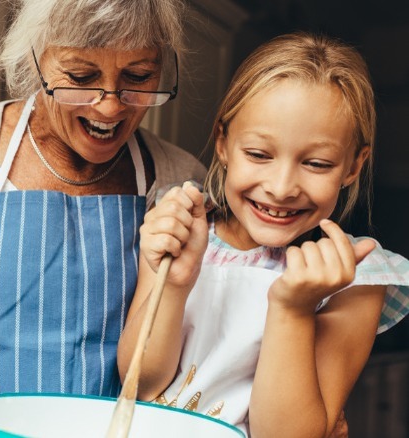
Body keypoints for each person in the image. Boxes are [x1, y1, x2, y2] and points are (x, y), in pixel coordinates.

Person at [0, 0, 208, 436]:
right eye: (81, 77)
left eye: (138, 77)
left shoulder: (181, 181)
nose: (110, 107)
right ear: (35, 58)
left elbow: (183, 364)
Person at [118, 31, 409, 437]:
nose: (281, 186)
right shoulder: (182, 223)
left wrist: (293, 308)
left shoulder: (357, 277)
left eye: (318, 163)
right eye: (258, 154)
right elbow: (142, 384)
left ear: (354, 167)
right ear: (223, 142)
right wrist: (175, 286)